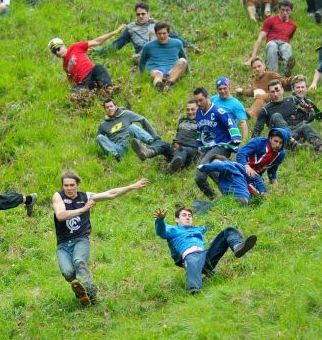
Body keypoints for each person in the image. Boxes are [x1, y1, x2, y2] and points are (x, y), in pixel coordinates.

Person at [52, 170, 148, 305]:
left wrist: (131, 186)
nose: (69, 188)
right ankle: (81, 291)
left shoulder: (86, 196)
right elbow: (60, 215)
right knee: (68, 273)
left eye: (72, 185)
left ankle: (91, 295)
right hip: (62, 244)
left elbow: (110, 194)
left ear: (77, 185)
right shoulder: (58, 196)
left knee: (79, 261)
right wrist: (83, 209)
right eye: (66, 185)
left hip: (80, 239)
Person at [154, 204, 257, 294]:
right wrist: (160, 220)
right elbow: (161, 231)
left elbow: (207, 226)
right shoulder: (172, 229)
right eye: (184, 215)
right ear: (177, 219)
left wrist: (217, 218)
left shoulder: (197, 229)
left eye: (190, 216)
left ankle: (237, 247)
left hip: (206, 255)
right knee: (192, 260)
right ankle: (194, 289)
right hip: (190, 256)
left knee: (228, 230)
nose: (188, 217)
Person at [102, 2, 199, 64]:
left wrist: (191, 46)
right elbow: (117, 43)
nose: (140, 16)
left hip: (160, 49)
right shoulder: (131, 28)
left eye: (143, 14)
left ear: (148, 14)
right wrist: (99, 51)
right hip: (144, 52)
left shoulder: (155, 24)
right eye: (138, 14)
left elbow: (173, 36)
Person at [193, 87, 242, 200]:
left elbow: (231, 123)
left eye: (200, 100)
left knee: (201, 173)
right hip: (207, 148)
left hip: (222, 146)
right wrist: (198, 144)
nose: (198, 103)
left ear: (207, 97)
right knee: (203, 176)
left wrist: (236, 138)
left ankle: (223, 195)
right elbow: (200, 130)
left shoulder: (218, 111)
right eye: (196, 101)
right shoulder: (198, 113)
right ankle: (222, 195)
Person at [252, 79, 322, 152]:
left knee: (306, 126)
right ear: (269, 93)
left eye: (277, 90)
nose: (275, 94)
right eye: (272, 92)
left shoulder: (292, 100)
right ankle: (295, 145)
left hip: (297, 132)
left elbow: (306, 119)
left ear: (282, 90)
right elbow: (256, 131)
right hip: (281, 138)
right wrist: (254, 147)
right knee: (276, 116)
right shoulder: (265, 110)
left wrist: (310, 112)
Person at [48, 25, 125, 94]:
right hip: (83, 83)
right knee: (73, 95)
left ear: (64, 45)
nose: (57, 52)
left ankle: (109, 89)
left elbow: (96, 41)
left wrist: (114, 32)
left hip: (92, 73)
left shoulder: (75, 47)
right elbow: (72, 82)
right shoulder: (65, 66)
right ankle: (96, 93)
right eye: (54, 52)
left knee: (98, 67)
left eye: (58, 48)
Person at [130, 99, 198, 173]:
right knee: (161, 143)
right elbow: (179, 136)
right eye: (188, 110)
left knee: (183, 149)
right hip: (176, 149)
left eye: (193, 109)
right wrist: (176, 144)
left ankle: (172, 168)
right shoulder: (182, 121)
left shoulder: (203, 122)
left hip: (190, 152)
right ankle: (147, 152)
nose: (190, 112)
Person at [96, 98, 168, 161]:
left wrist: (155, 136)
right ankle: (116, 156)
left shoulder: (126, 114)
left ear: (116, 107)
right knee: (99, 137)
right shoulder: (103, 125)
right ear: (105, 110)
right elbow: (99, 141)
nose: (109, 109)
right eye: (107, 107)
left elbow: (142, 120)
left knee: (131, 127)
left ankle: (152, 142)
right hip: (117, 148)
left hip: (130, 143)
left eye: (111, 106)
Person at [245, 0, 296, 77]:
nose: (285, 12)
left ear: (291, 11)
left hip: (284, 43)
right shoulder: (271, 20)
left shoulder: (293, 25)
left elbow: (289, 39)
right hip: (272, 41)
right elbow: (260, 38)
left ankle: (287, 69)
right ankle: (273, 73)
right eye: (282, 10)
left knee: (287, 46)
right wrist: (253, 56)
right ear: (279, 10)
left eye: (287, 10)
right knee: (272, 46)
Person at [197, 155, 267, 205]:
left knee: (207, 208)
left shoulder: (229, 164)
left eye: (217, 163)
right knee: (204, 205)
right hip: (237, 198)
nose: (215, 166)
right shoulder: (224, 177)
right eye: (213, 164)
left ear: (224, 161)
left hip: (239, 198)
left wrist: (203, 167)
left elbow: (221, 165)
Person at [138, 22, 188, 91]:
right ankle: (159, 87)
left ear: (168, 33)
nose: (162, 36)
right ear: (156, 34)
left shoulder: (177, 43)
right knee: (158, 74)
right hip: (155, 69)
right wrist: (142, 75)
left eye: (164, 33)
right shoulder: (148, 46)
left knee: (182, 61)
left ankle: (168, 84)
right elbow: (142, 61)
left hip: (171, 70)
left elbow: (184, 58)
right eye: (159, 33)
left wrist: (188, 72)